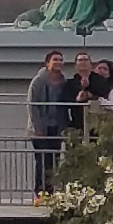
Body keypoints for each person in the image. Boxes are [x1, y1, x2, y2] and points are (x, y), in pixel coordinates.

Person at [26, 50, 78, 192]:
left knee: (54, 162)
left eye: (61, 60)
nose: (58, 62)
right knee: (42, 161)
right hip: (41, 129)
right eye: (55, 59)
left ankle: (50, 191)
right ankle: (40, 192)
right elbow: (32, 105)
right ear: (47, 63)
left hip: (57, 127)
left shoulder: (64, 82)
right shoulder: (38, 81)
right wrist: (37, 127)